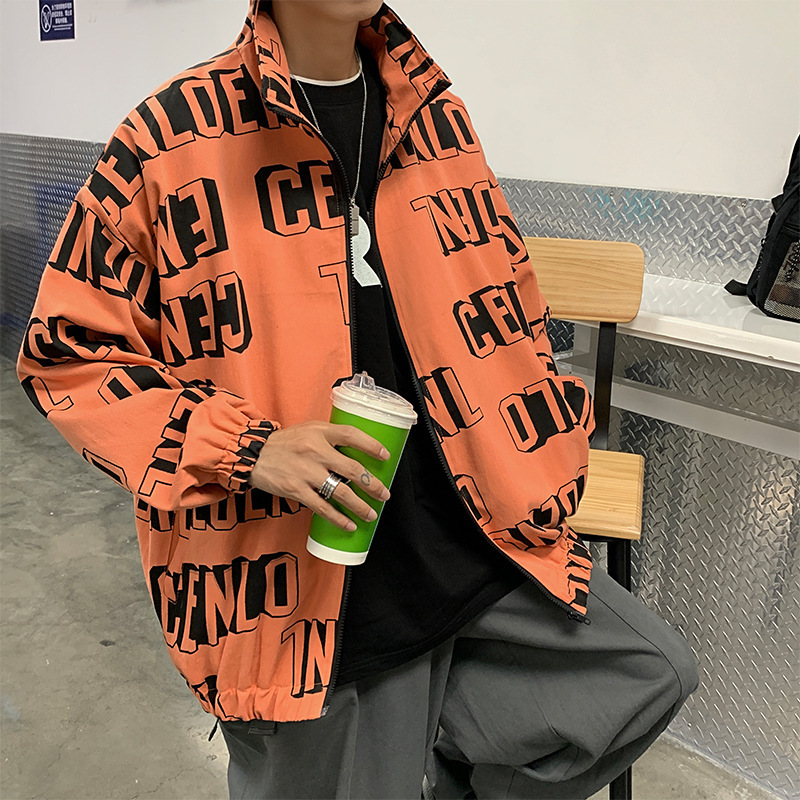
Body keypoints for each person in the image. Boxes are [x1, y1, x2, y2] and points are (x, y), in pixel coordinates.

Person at [17, 1, 699, 797]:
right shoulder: (170, 137)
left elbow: (510, 295)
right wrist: (247, 448)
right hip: (294, 580)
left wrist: (544, 449)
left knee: (648, 673)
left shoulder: (434, 117)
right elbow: (68, 354)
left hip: (465, 536)